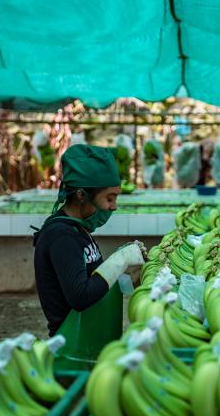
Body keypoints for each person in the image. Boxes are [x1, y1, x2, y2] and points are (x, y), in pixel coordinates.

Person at [33, 144, 145, 336]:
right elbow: (81, 296)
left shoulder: (78, 229)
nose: (114, 206)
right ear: (81, 195)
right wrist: (121, 259)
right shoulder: (61, 236)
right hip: (72, 344)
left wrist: (120, 256)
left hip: (90, 336)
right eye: (109, 198)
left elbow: (92, 276)